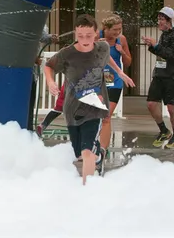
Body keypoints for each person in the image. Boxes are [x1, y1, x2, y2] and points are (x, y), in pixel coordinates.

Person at [44, 14, 135, 184]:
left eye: (88, 35)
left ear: (95, 34)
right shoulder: (68, 53)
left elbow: (106, 56)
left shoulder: (102, 47)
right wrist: (50, 82)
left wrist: (120, 72)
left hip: (97, 104)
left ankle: (88, 188)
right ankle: (97, 154)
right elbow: (49, 66)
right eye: (80, 36)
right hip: (75, 108)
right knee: (80, 152)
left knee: (88, 152)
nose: (85, 40)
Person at [142, 7, 174, 148]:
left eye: (162, 19)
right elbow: (162, 53)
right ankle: (163, 130)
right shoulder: (164, 34)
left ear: (169, 21)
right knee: (151, 104)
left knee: (171, 107)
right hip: (159, 74)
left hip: (172, 75)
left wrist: (156, 45)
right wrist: (152, 46)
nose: (159, 22)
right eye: (159, 19)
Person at [98, 15, 132, 154]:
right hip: (97, 81)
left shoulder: (121, 40)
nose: (117, 33)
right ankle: (93, 143)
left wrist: (122, 52)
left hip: (114, 82)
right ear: (106, 28)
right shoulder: (96, 36)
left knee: (106, 116)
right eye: (114, 30)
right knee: (95, 115)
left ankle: (102, 150)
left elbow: (129, 62)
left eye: (120, 29)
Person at [31, 23, 58, 133]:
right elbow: (38, 35)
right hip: (27, 68)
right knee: (28, 99)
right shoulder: (32, 21)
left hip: (31, 68)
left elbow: (40, 36)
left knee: (30, 99)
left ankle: (27, 127)